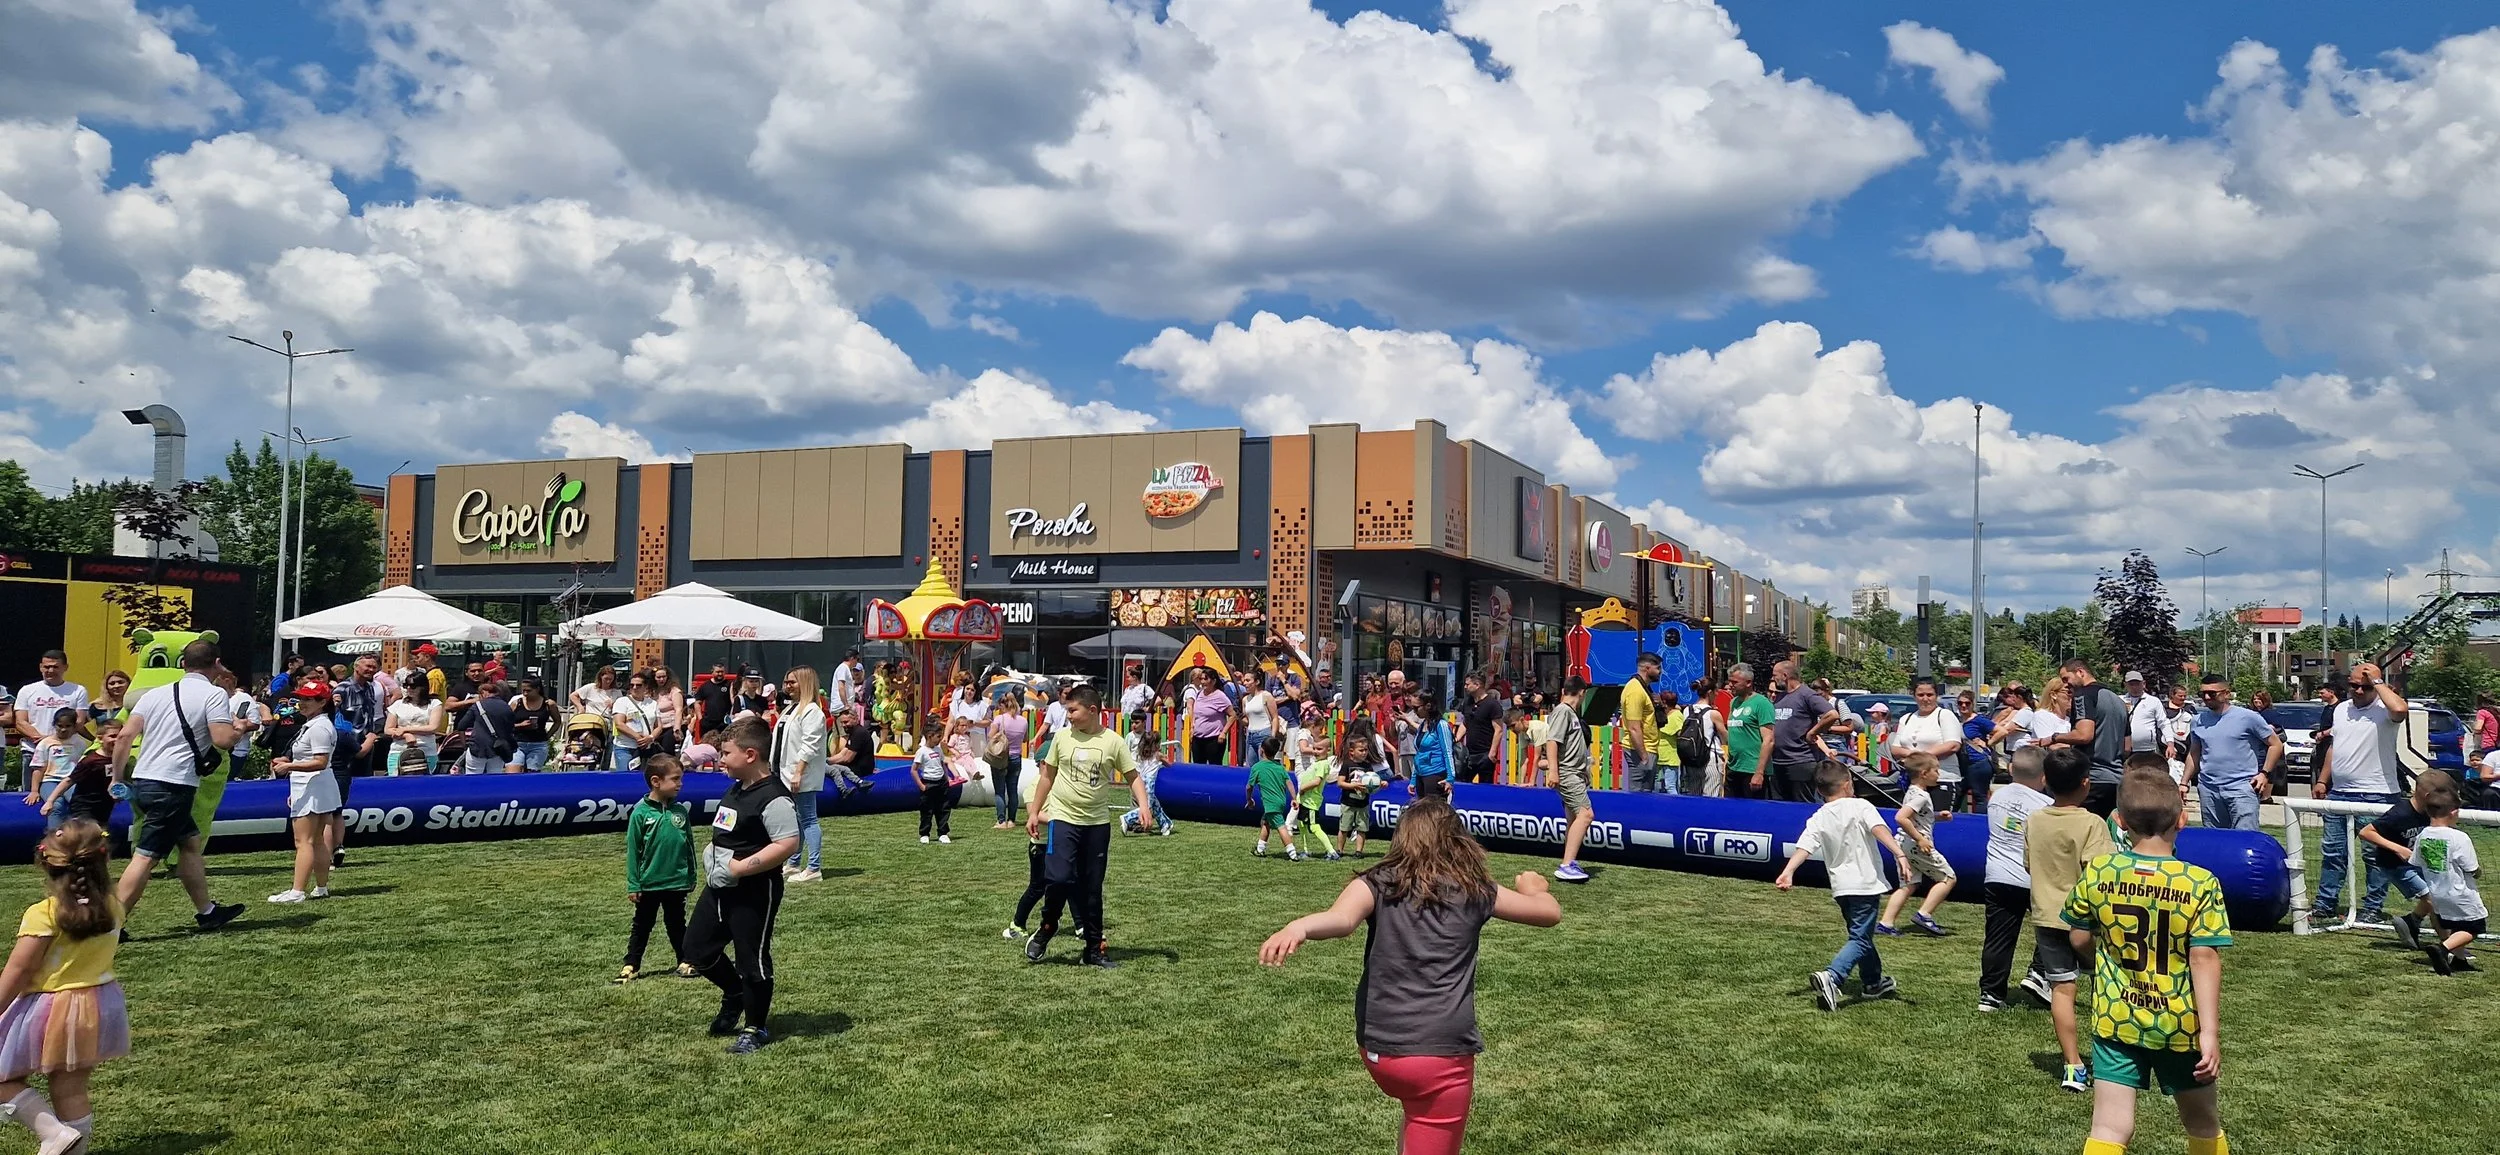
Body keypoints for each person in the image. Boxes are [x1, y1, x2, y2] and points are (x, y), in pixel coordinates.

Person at [1256, 797, 1562, 1155]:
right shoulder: (1476, 890)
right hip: (1440, 1058)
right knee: (1429, 1113)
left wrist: (1299, 927)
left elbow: (1341, 920)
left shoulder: (1377, 882)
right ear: (1458, 841)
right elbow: (1549, 913)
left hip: (1380, 1051)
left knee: (1417, 1111)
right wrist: (1535, 888)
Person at [2066, 768, 2233, 1155]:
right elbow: (2204, 958)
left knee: (2109, 1127)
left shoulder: (2100, 871)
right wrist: (2209, 1032)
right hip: (2180, 1023)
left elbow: (2078, 935)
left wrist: (2102, 961)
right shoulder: (2200, 882)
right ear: (2182, 819)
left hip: (2116, 1018)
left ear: (2120, 821)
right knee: (2202, 1122)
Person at [0, 820, 128, 1154]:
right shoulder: (113, 907)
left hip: (51, 1008)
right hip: (99, 1003)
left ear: (46, 864)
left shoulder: (44, 914)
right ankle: (71, 1147)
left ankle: (53, 1134)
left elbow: (19, 970)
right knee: (70, 1088)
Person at [105, 638, 245, 933]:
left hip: (144, 779)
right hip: (174, 785)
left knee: (189, 843)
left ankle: (207, 912)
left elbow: (124, 736)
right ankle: (110, 925)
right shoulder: (213, 694)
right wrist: (239, 730)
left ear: (183, 664)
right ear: (216, 663)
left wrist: (117, 778)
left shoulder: (155, 694)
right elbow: (222, 740)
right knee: (146, 857)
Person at [686, 718, 797, 1054]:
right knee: (696, 950)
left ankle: (755, 1028)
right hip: (719, 887)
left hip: (754, 892)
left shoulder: (774, 797)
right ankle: (735, 993)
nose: (720, 760)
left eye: (726, 753)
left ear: (750, 755)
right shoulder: (736, 787)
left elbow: (787, 843)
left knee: (752, 960)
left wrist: (740, 867)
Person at [1023, 685, 1152, 968]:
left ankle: (1094, 949)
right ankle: (1048, 925)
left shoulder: (1113, 742)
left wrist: (1144, 806)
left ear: (1092, 710)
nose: (1068, 716)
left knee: (1091, 887)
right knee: (1059, 878)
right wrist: (1034, 812)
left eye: (1073, 710)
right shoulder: (1061, 738)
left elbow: (1133, 776)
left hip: (1096, 824)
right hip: (1062, 819)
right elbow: (1047, 777)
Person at [1776, 760, 1909, 1012]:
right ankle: (1832, 976)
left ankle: (1873, 982)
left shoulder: (1819, 816)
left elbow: (1805, 845)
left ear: (1819, 791)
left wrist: (1788, 871)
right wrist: (1899, 853)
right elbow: (1879, 828)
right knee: (1860, 938)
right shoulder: (1861, 806)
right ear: (1848, 784)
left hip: (1841, 887)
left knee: (1860, 935)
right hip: (1864, 884)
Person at [2027, 746, 2116, 1093]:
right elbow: (2100, 873)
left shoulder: (2034, 819)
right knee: (2105, 987)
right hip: (2086, 920)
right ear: (2086, 783)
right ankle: (2111, 1058)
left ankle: (2072, 1065)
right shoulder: (2092, 823)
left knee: (2062, 990)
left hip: (2046, 916)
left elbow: (2029, 864)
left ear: (2045, 781)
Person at [2311, 662, 2409, 925]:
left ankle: (2372, 908)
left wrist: (2377, 682)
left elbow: (2400, 710)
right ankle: (2325, 905)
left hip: (2377, 794)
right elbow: (2336, 747)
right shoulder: (2341, 709)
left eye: (2365, 687)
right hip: (2340, 793)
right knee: (2333, 853)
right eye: (2353, 685)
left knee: (2375, 856)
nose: (2358, 691)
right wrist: (2323, 780)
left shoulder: (2385, 709)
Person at [1979, 746, 2053, 1012]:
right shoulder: (2046, 806)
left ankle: (1990, 994)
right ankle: (2039, 972)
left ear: (2011, 769)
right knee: (2053, 928)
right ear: (2044, 777)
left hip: (1997, 875)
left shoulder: (1996, 797)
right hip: (2032, 877)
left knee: (1998, 938)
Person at [617, 753, 697, 984]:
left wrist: (691, 875)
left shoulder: (680, 811)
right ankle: (631, 965)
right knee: (642, 925)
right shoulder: (641, 813)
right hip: (649, 882)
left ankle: (685, 960)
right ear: (656, 781)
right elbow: (634, 852)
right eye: (675, 779)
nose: (680, 784)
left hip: (676, 881)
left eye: (681, 779)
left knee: (677, 924)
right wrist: (634, 884)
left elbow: (689, 845)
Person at [266, 679, 344, 905]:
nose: (303, 702)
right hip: (314, 785)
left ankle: (297, 891)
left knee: (304, 841)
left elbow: (320, 761)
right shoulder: (316, 724)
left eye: (309, 699)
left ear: (322, 702)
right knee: (316, 840)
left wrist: (289, 766)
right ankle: (321, 887)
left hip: (312, 785)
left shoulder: (319, 727)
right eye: (301, 698)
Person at [2355, 770, 2449, 953]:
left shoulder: (2430, 812)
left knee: (2438, 896)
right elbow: (2366, 832)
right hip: (2395, 865)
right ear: (2427, 795)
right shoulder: (2400, 813)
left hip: (2417, 863)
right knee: (2433, 899)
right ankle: (2448, 945)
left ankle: (2411, 922)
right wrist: (2398, 848)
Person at [2182, 675, 2279, 832]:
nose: (2207, 697)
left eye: (2212, 693)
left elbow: (2275, 744)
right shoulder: (2197, 720)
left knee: (2244, 838)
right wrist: (2184, 782)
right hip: (2209, 789)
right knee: (2215, 839)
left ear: (2226, 693)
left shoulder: (2249, 717)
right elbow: (2194, 753)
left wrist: (2264, 774)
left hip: (2242, 788)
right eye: (2203, 694)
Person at [2409, 776, 2485, 974]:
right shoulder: (2459, 837)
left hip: (2437, 893)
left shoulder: (2423, 835)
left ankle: (2459, 961)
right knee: (2474, 928)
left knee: (2456, 926)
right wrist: (2477, 872)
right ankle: (2442, 949)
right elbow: (2471, 867)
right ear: (2453, 812)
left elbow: (2416, 861)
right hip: (2460, 892)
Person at [1877, 753, 1956, 937]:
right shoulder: (1921, 795)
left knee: (1908, 884)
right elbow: (1901, 817)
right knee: (1948, 878)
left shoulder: (1912, 792)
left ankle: (1885, 923)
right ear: (1924, 773)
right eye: (1936, 770)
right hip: (1916, 845)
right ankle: (1924, 914)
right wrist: (1920, 839)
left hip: (1903, 844)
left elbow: (1916, 816)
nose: (1938, 774)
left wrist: (1937, 816)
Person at [772, 667, 830, 879]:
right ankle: (794, 862)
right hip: (784, 771)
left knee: (808, 819)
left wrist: (798, 772)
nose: (787, 686)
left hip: (800, 774)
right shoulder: (791, 708)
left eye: (792, 682)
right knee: (796, 819)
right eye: (786, 682)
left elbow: (810, 745)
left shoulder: (812, 711)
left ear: (804, 684)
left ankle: (814, 867)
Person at [2056, 660, 2131, 818]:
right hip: (2116, 782)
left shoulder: (2083, 695)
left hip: (2092, 779)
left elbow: (2084, 735)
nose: (2065, 685)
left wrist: (2054, 738)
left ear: (2080, 672)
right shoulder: (2118, 701)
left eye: (2066, 678)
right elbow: (2127, 747)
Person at [1542, 678, 1597, 883]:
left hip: (1574, 772)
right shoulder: (1563, 711)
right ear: (1582, 693)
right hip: (1567, 773)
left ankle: (1569, 861)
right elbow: (1552, 741)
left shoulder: (1570, 713)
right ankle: (1567, 865)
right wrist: (1553, 771)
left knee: (1573, 818)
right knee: (1586, 814)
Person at [1762, 661, 1839, 804]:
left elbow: (1832, 715)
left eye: (1775, 675)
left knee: (1802, 806)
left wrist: (1813, 732)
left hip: (1800, 761)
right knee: (1779, 806)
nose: (1773, 679)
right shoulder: (1780, 696)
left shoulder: (1806, 695)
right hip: (1778, 762)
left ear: (1785, 676)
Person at [13, 653, 88, 789]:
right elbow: (20, 722)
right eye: (47, 667)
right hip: (33, 751)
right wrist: (46, 741)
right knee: (31, 794)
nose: (50, 670)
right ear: (41, 667)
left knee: (68, 794)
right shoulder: (27, 690)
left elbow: (79, 722)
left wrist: (54, 741)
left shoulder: (78, 690)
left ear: (65, 667)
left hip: (67, 752)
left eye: (55, 667)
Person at [1891, 678, 1966, 810]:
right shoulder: (1906, 719)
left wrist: (1919, 758)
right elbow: (1896, 749)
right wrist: (1915, 756)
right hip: (1914, 782)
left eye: (1930, 695)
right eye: (1921, 695)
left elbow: (1953, 745)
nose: (1925, 699)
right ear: (1914, 696)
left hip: (1942, 780)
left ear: (1936, 696)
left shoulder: (1945, 715)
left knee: (1939, 820)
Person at [1246, 735, 1302, 861]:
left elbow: (1249, 786)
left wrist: (1249, 799)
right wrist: (1294, 798)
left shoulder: (1257, 767)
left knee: (1281, 826)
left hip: (1271, 803)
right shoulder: (1279, 767)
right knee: (1266, 822)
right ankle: (1260, 849)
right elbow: (1289, 783)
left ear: (1261, 750)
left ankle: (1292, 852)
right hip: (1280, 801)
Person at [1618, 653, 1660, 794]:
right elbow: (1634, 728)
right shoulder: (1635, 690)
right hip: (1641, 749)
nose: (1660, 672)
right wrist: (1643, 756)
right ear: (1647, 668)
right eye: (1658, 668)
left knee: (1646, 792)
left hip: (1648, 748)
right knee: (1638, 793)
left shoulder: (1643, 687)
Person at [1333, 735, 1380, 858]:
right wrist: (1353, 786)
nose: (1364, 753)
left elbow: (1372, 782)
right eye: (1361, 750)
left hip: (1363, 803)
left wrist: (1380, 784)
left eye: (1366, 750)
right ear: (1352, 751)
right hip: (1348, 803)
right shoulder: (1347, 765)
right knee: (1344, 828)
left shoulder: (1368, 766)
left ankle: (1359, 851)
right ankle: (1339, 850)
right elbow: (1340, 783)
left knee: (1362, 828)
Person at [461, 676, 518, 775]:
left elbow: (461, 726)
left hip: (478, 747)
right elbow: (511, 728)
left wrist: (464, 745)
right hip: (499, 749)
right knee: (495, 776)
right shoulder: (507, 707)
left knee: (473, 777)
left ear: (483, 693)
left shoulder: (477, 706)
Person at [914, 719, 958, 845]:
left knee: (943, 808)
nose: (940, 739)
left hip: (941, 783)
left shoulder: (938, 750)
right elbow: (914, 770)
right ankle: (924, 834)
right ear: (930, 736)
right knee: (927, 810)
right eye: (938, 736)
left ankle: (943, 833)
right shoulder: (922, 751)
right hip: (928, 783)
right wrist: (921, 785)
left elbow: (942, 764)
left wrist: (947, 778)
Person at [1121, 733, 1174, 836]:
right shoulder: (1158, 755)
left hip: (1141, 781)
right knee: (1147, 807)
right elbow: (1169, 764)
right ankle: (1127, 818)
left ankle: (1165, 824)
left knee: (1155, 805)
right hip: (1150, 783)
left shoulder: (1141, 754)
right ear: (1155, 744)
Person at [611, 671, 661, 775]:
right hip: (625, 747)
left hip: (646, 748)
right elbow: (619, 724)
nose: (634, 688)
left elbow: (659, 726)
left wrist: (650, 738)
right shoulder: (622, 701)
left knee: (645, 776)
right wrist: (637, 737)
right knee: (625, 777)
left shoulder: (653, 703)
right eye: (632, 685)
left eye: (638, 685)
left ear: (645, 687)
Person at [1409, 695, 1456, 801]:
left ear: (1428, 706)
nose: (1414, 712)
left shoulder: (1441, 725)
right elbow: (1419, 754)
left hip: (1436, 774)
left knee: (1434, 808)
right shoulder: (1422, 725)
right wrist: (1413, 779)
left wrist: (1450, 778)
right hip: (1421, 775)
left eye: (1416, 708)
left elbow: (1447, 752)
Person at [507, 680, 558, 771]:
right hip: (517, 743)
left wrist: (548, 736)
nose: (525, 693)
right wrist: (520, 725)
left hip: (538, 744)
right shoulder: (516, 703)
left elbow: (557, 722)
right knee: (512, 773)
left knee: (532, 774)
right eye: (523, 690)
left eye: (528, 691)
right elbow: (505, 724)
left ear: (537, 689)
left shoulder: (548, 704)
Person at [1186, 668, 1232, 766]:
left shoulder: (1220, 696)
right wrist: (1193, 726)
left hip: (1213, 739)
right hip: (1198, 738)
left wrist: (1223, 732)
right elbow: (1196, 712)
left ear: (1214, 681)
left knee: (1214, 767)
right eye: (1201, 679)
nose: (1202, 682)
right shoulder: (1199, 693)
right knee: (1198, 767)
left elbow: (1233, 715)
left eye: (1205, 679)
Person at [829, 706, 874, 799]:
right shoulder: (853, 732)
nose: (843, 725)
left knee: (833, 770)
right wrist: (827, 760)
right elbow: (842, 754)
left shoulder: (859, 733)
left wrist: (828, 765)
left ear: (855, 719)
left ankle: (844, 790)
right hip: (856, 766)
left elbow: (847, 759)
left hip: (860, 770)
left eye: (846, 722)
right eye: (842, 723)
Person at [1648, 687, 1686, 796]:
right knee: (1654, 786)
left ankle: (1675, 805)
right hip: (1658, 755)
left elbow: (1681, 734)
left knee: (1670, 786)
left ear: (1664, 702)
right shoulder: (1662, 714)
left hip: (1670, 757)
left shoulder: (1676, 715)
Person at [1238, 670, 1277, 767]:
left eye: (1248, 680)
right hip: (1250, 735)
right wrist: (1239, 718)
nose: (1245, 683)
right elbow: (1247, 721)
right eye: (1244, 681)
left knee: (1264, 765)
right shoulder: (1245, 699)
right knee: (1251, 766)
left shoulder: (1266, 696)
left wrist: (1272, 736)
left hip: (1264, 733)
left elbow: (1274, 717)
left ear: (1257, 682)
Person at [693, 661, 737, 744]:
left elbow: (734, 701)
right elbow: (697, 702)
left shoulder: (729, 685)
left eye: (722, 672)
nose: (720, 674)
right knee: (706, 744)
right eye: (717, 672)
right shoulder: (705, 686)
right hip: (708, 723)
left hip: (724, 722)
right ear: (712, 672)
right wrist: (700, 718)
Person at [830, 650, 865, 721]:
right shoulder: (843, 668)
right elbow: (841, 687)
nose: (857, 662)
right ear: (852, 658)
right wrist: (846, 704)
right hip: (841, 708)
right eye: (857, 659)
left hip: (844, 708)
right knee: (844, 727)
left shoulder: (846, 669)